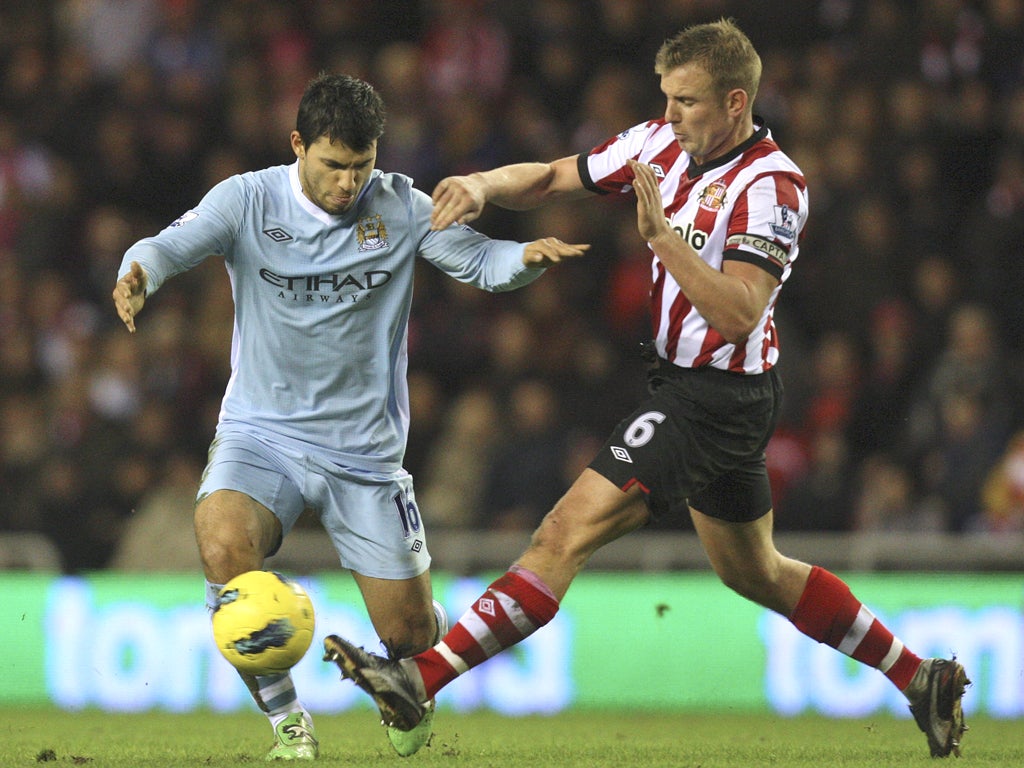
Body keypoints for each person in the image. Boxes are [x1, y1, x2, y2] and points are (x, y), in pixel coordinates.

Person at [321, 20, 971, 759]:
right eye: (665, 98)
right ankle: (920, 676)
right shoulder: (659, 144)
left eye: (686, 101)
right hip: (687, 386)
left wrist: (663, 242)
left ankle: (420, 678)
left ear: (735, 102)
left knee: (562, 534)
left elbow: (738, 313)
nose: (669, 115)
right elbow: (554, 176)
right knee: (756, 570)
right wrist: (482, 184)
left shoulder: (773, 185)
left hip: (717, 396)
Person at [111, 72, 588, 761]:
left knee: (407, 634)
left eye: (361, 166)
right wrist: (138, 275)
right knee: (220, 542)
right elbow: (167, 246)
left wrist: (526, 258)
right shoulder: (247, 200)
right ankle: (290, 727)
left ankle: (422, 656)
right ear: (298, 145)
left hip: (364, 457)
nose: (346, 183)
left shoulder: (399, 207)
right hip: (261, 435)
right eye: (333, 165)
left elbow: (481, 263)